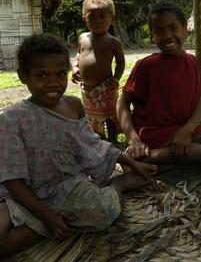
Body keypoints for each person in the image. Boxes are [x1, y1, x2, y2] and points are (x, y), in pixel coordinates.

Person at [0, 34, 158, 259]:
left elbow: (92, 144)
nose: (53, 82)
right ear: (23, 76)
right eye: (42, 75)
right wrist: (45, 215)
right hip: (22, 195)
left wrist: (128, 161)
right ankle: (49, 221)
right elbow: (12, 179)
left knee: (103, 211)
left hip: (66, 188)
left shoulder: (73, 106)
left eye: (59, 74)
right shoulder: (11, 119)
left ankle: (118, 186)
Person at [117, 1, 201, 165]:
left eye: (173, 28)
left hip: (185, 129)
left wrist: (186, 131)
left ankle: (149, 159)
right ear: (152, 34)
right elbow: (123, 101)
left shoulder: (193, 62)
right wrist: (133, 139)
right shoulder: (146, 66)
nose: (167, 35)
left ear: (184, 28)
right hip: (153, 133)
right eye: (159, 31)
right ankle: (145, 157)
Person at [72, 0, 125, 143]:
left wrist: (116, 78)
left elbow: (120, 62)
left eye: (102, 16)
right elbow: (78, 54)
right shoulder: (83, 38)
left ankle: (113, 139)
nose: (97, 21)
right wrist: (75, 67)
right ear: (84, 18)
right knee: (93, 115)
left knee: (109, 114)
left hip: (106, 87)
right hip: (87, 88)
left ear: (112, 18)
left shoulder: (113, 42)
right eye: (92, 17)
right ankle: (99, 138)